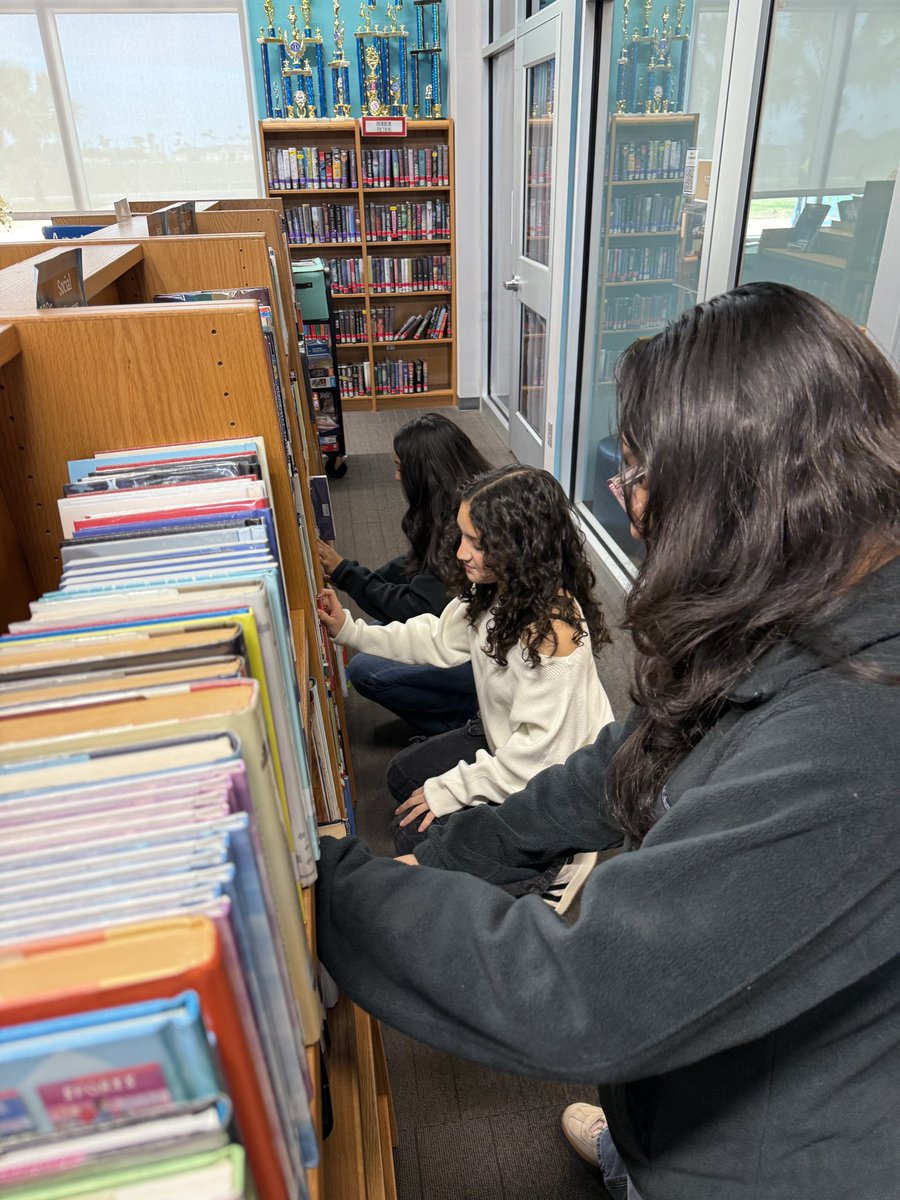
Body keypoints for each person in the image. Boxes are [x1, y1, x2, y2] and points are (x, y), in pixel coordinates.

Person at [313, 282, 900, 1200]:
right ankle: (634, 1145)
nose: (628, 509)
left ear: (734, 493)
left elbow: (585, 994)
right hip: (711, 1073)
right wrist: (462, 852)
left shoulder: (854, 741)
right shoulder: (801, 609)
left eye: (634, 477)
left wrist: (328, 888)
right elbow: (633, 753)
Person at [317, 463, 615, 856]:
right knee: (403, 776)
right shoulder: (499, 589)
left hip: (556, 784)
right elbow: (437, 638)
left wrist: (452, 789)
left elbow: (540, 759)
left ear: (519, 545)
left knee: (414, 836)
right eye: (463, 536)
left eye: (476, 543)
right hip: (511, 740)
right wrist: (350, 630)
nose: (460, 552)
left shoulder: (550, 630)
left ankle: (546, 867)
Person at [317, 412, 491, 736]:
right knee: (375, 629)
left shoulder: (461, 526)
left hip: (479, 649)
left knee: (365, 668)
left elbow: (416, 607)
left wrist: (348, 574)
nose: (396, 476)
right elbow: (418, 563)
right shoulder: (459, 500)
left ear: (425, 472)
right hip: (464, 627)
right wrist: (353, 574)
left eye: (401, 467)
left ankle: (463, 724)